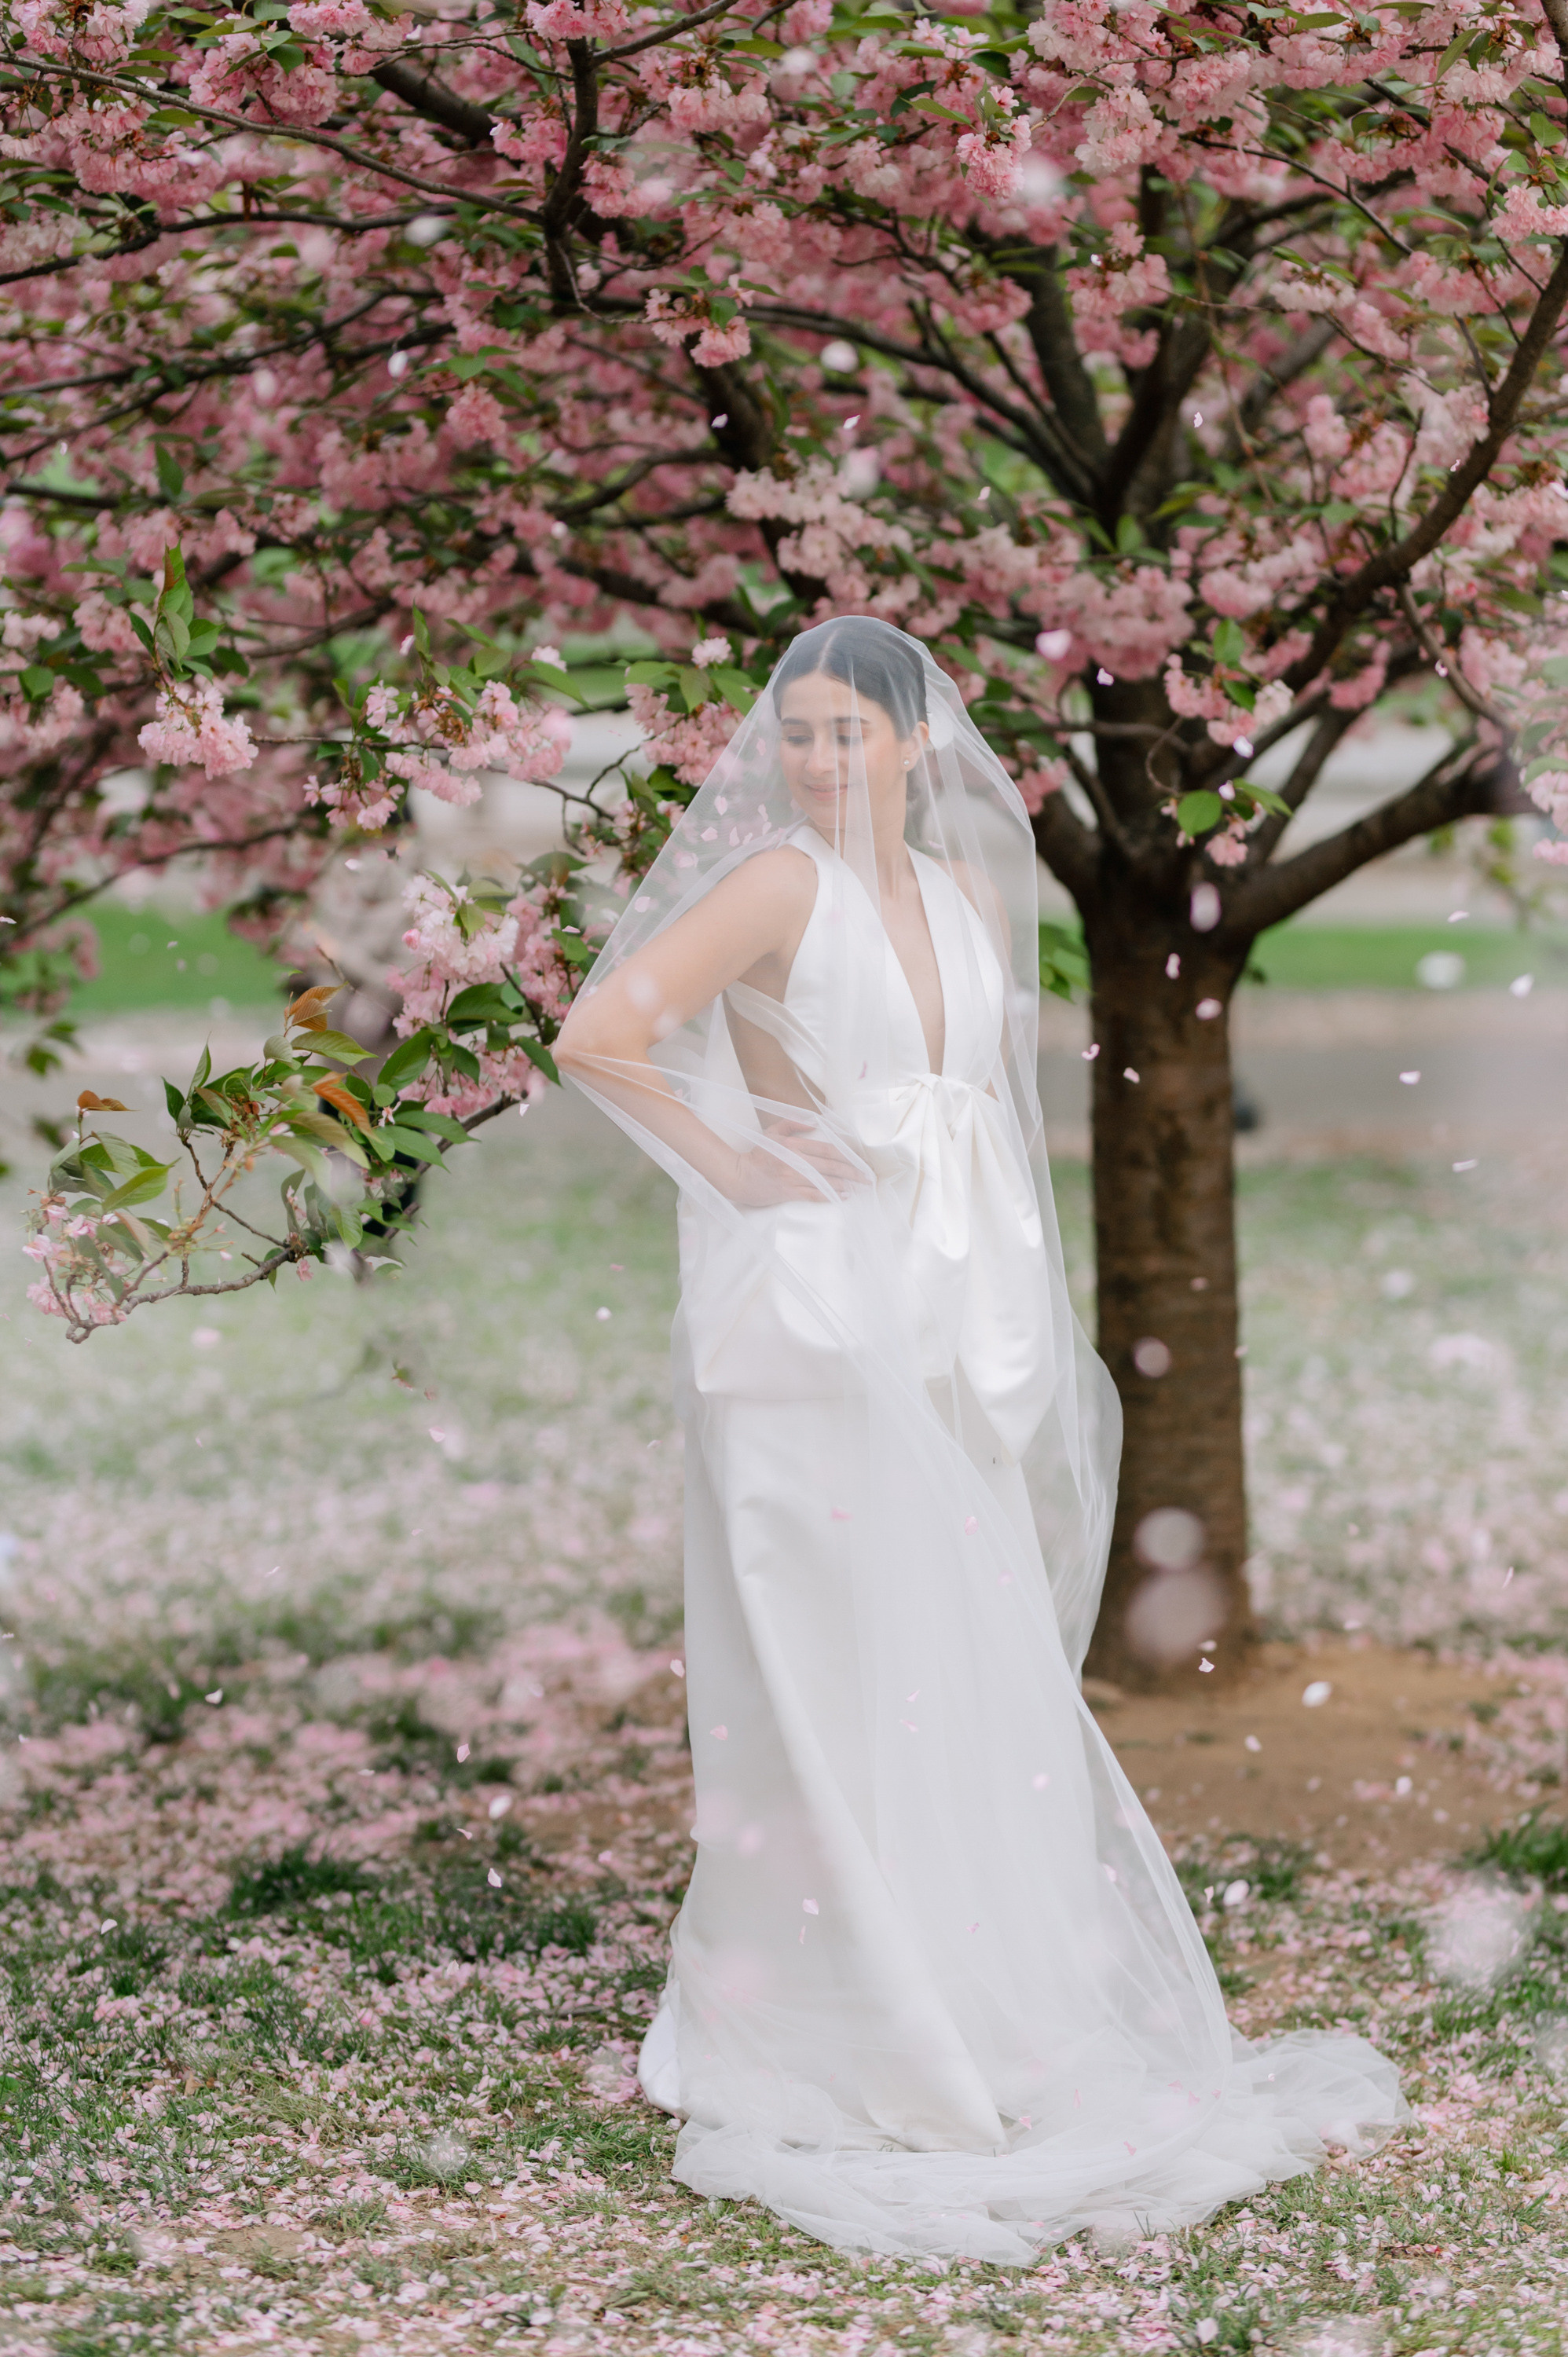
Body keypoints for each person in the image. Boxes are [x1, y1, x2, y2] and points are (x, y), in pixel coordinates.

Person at [555, 617, 1405, 2264]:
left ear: (911, 745)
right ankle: (830, 2011)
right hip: (802, 1330)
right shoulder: (774, 888)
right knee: (818, 1668)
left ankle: (965, 1986)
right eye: (793, 733)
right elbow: (601, 1034)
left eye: (845, 734)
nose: (816, 760)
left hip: (942, 1318)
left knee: (942, 1664)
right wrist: (735, 1171)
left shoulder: (948, 892)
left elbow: (979, 1119)